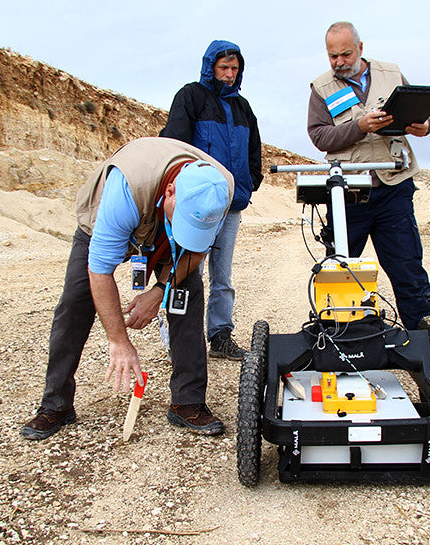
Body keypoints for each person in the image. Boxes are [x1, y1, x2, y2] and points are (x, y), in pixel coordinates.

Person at [21, 137, 234, 441]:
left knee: (187, 296)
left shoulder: (219, 189)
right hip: (111, 217)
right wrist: (119, 341)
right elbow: (100, 271)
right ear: (170, 191)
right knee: (75, 302)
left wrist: (159, 290)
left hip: (164, 219)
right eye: (184, 219)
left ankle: (187, 401)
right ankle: (56, 404)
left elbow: (197, 251)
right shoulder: (126, 188)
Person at [307, 21, 430, 330]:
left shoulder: (391, 74)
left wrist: (426, 126)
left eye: (346, 54)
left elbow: (425, 116)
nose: (339, 62)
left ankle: (426, 347)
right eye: (333, 56)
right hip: (348, 192)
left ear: (361, 49)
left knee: (407, 267)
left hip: (394, 187)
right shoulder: (321, 88)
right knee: (338, 271)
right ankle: (335, 338)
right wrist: (359, 128)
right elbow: (320, 137)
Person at [159, 40, 263, 361]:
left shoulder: (243, 109)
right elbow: (174, 142)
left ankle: (220, 336)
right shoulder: (191, 96)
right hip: (198, 205)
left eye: (234, 69)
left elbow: (254, 153)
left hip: (232, 205)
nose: (229, 75)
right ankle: (181, 341)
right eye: (223, 68)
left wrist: (249, 183)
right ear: (210, 67)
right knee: (188, 270)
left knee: (223, 275)